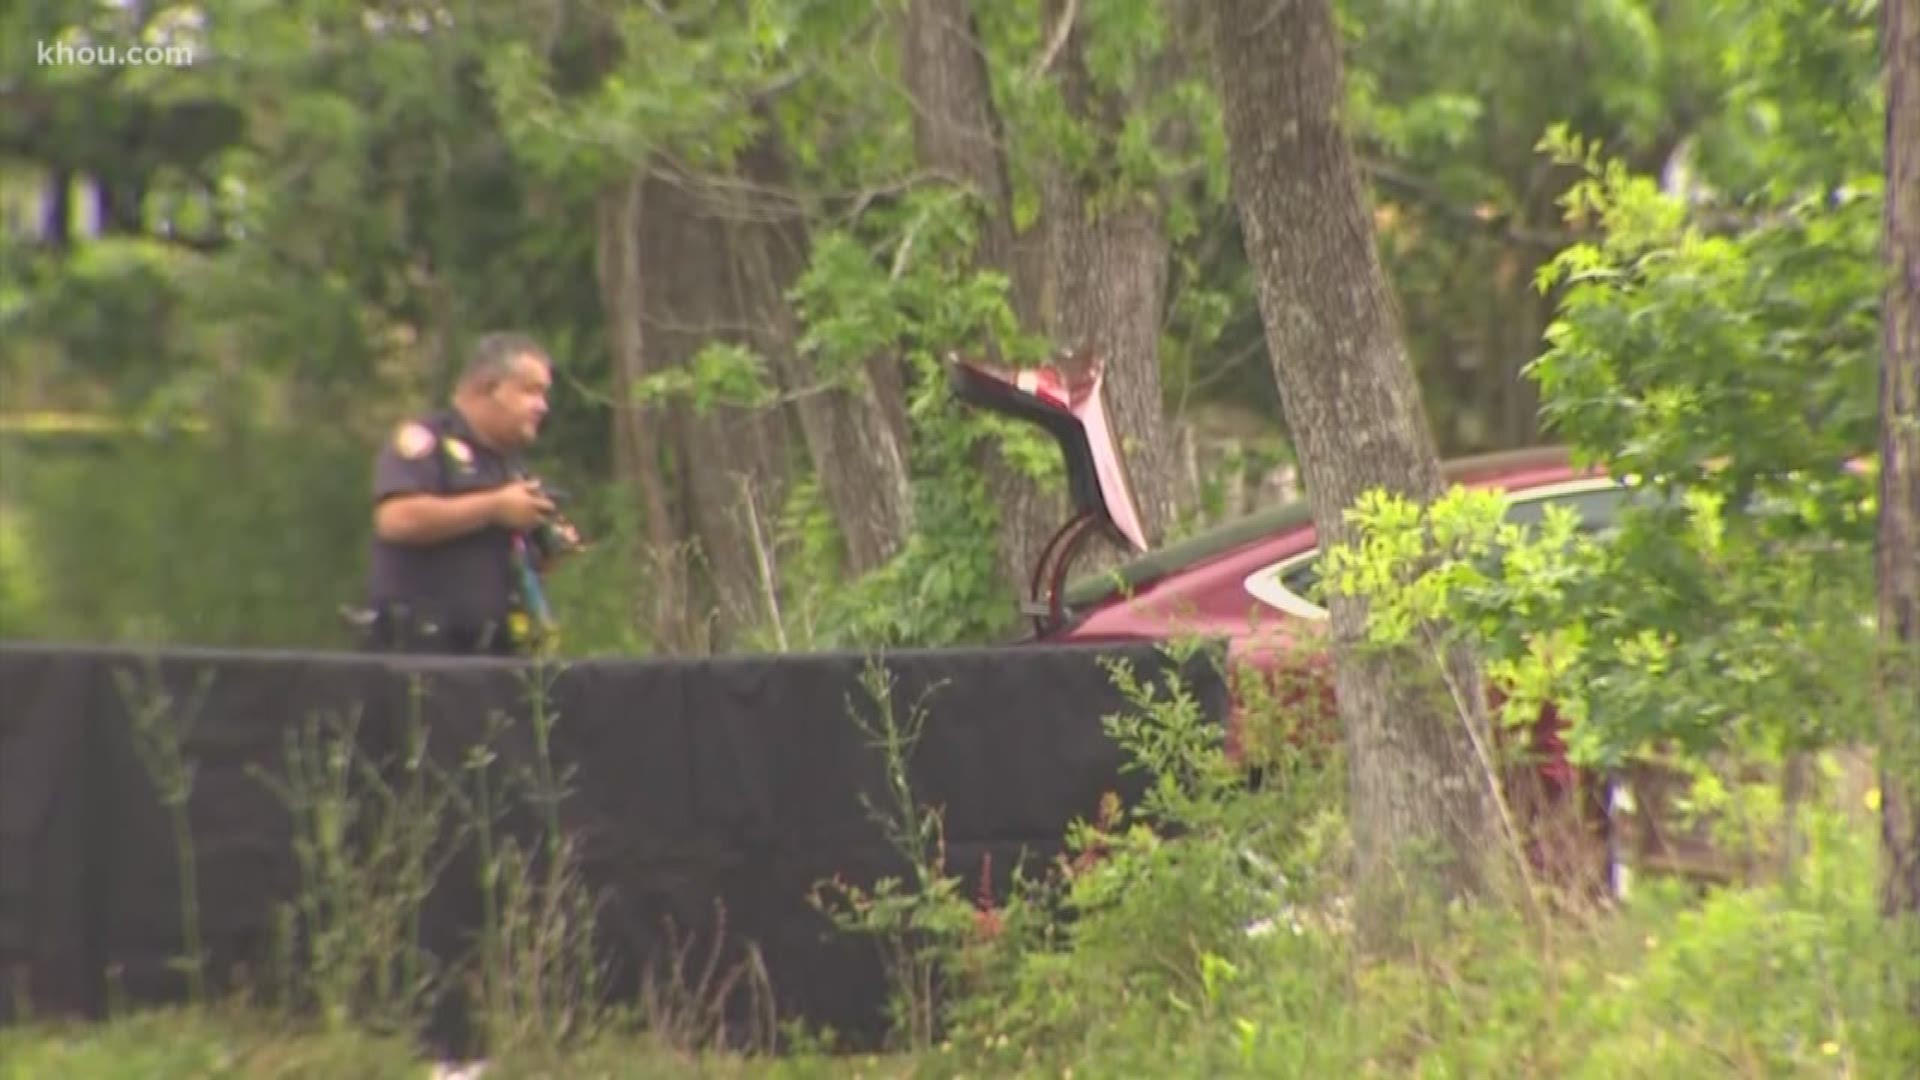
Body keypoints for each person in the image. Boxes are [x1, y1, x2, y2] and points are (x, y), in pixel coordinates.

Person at [357, 331, 580, 655]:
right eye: (531, 391)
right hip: (424, 653)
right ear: (488, 387)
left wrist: (547, 549)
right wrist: (494, 507)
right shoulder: (427, 443)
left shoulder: (511, 468)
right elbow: (397, 519)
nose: (542, 406)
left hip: (496, 655)